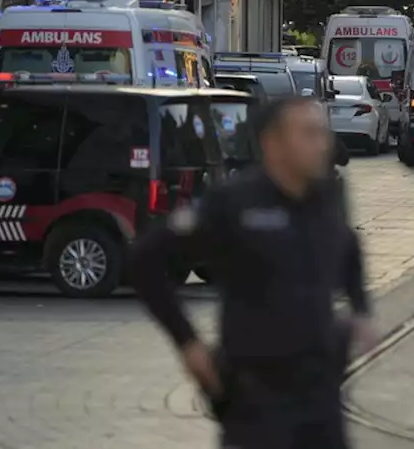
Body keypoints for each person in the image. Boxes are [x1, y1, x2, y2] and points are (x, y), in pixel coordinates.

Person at [130, 96, 376, 449]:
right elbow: (145, 261)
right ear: (272, 144)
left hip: (320, 400)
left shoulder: (327, 196)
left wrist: (361, 308)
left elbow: (348, 247)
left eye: (323, 133)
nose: (322, 144)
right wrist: (188, 342)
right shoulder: (234, 203)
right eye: (308, 134)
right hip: (257, 403)